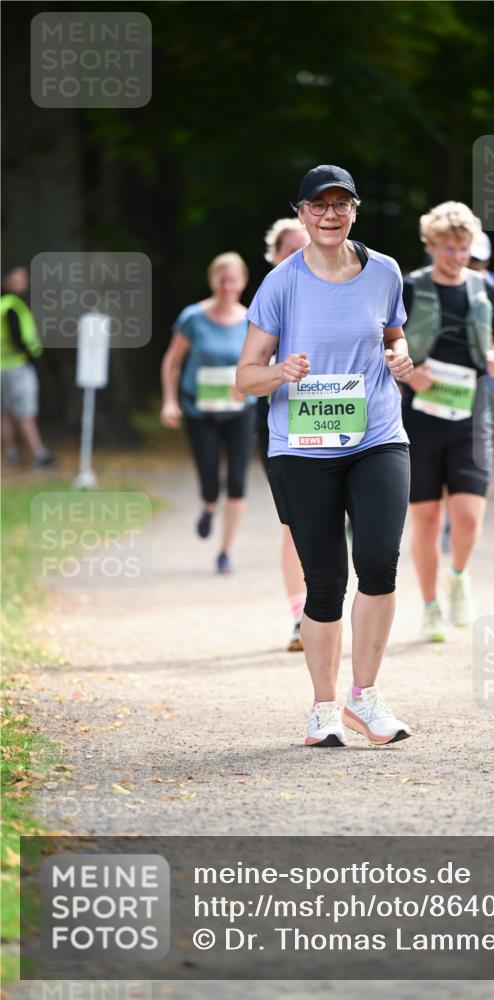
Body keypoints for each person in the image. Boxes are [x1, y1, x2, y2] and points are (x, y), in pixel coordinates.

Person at [237, 165, 414, 748]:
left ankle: (366, 696)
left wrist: (401, 358)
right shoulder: (281, 284)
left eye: (341, 204)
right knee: (325, 581)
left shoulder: (385, 271)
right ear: (302, 213)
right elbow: (245, 377)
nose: (330, 215)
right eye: (319, 206)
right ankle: (323, 707)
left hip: (376, 434)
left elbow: (393, 334)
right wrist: (279, 372)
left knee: (380, 563)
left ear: (355, 211)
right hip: (304, 444)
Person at [401, 202, 494, 641]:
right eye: (448, 248)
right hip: (419, 416)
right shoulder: (410, 286)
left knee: (467, 515)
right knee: (425, 519)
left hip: (470, 414)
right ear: (431, 246)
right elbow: (384, 341)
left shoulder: (483, 288)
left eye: (463, 248)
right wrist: (410, 372)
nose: (457, 256)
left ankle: (459, 577)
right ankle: (429, 607)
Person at [160, 253, 256, 574]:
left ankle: (225, 552)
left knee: (238, 480)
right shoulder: (193, 318)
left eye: (234, 280)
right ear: (212, 280)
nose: (228, 286)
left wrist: (249, 385)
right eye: (221, 279)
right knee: (210, 479)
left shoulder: (250, 320)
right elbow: (172, 362)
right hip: (199, 410)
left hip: (240, 409)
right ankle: (207, 505)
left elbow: (260, 364)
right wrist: (169, 402)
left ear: (243, 282)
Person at [440, 230, 494, 553]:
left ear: (487, 259)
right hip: (439, 386)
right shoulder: (434, 284)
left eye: (477, 259)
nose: (471, 264)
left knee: (469, 455)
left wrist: (490, 323)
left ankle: (456, 523)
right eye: (468, 257)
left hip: (482, 388)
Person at [258, 218, 310, 651]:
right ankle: (300, 616)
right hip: (284, 421)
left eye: (303, 247)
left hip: (342, 420)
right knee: (295, 525)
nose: (297, 254)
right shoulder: (268, 298)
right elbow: (248, 370)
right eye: (288, 248)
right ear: (274, 256)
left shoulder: (344, 285)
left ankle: (326, 608)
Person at [1, 267, 55, 469]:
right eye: (19, 277)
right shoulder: (12, 306)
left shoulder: (2, 304)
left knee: (5, 412)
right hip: (18, 365)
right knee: (25, 412)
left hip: (3, 366)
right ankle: (39, 455)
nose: (24, 281)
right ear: (7, 281)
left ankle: (10, 454)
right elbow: (17, 337)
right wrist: (31, 356)